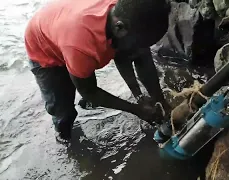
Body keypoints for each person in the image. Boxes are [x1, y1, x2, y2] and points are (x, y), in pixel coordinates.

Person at [24, 0, 171, 142]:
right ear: (119, 28)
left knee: (128, 49)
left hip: (63, 23)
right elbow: (90, 91)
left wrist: (154, 99)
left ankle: (84, 92)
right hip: (43, 48)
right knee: (63, 112)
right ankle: (66, 141)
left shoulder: (126, 14)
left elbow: (130, 56)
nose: (140, 48)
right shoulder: (80, 46)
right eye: (139, 43)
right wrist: (136, 109)